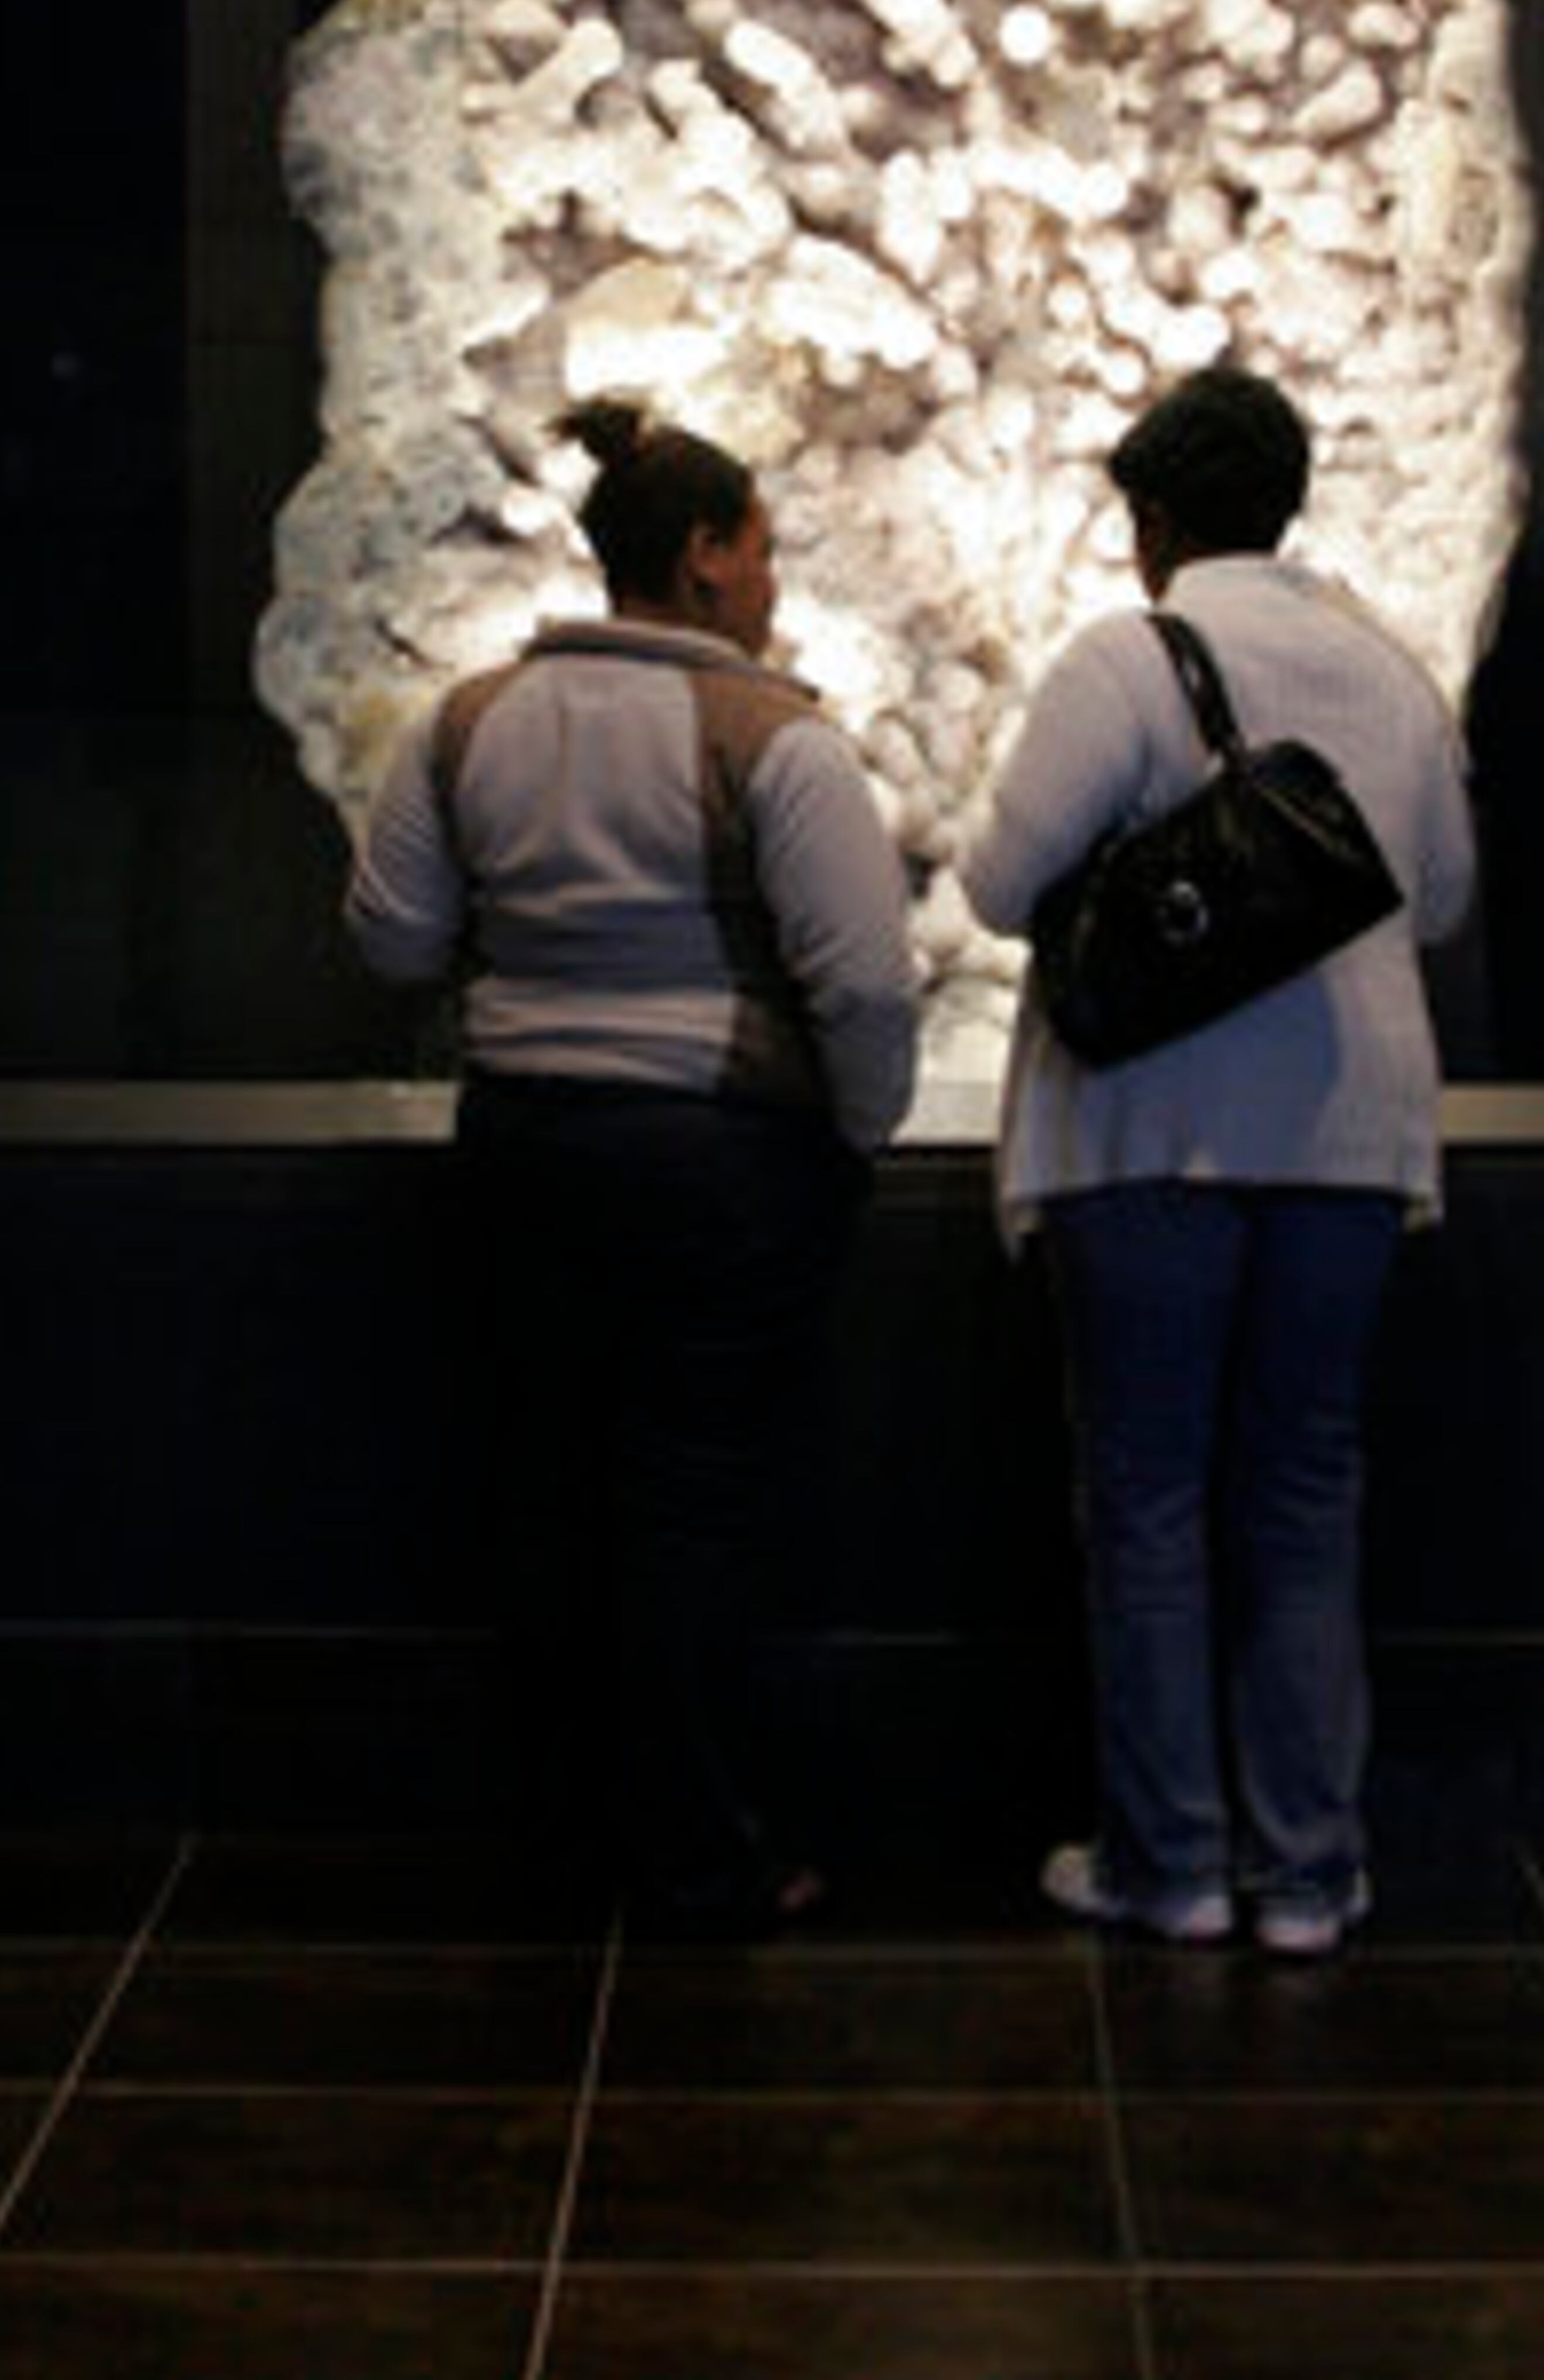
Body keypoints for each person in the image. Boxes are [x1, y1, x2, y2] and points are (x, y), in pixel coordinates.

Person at [345, 397, 919, 1935]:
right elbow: (862, 978)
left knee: (545, 1485)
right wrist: (859, 1132)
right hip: (716, 1158)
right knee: (685, 1509)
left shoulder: (467, 722)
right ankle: (692, 1855)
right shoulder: (770, 737)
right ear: (705, 558)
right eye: (762, 551)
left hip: (521, 1141)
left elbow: (391, 932)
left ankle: (548, 1837)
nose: (775, 583)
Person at [958, 361, 1475, 1956]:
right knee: (1309, 1490)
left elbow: (994, 882)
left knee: (1151, 1496)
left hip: (1155, 1133)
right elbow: (1442, 899)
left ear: (1155, 522)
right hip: (1349, 1131)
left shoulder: (1131, 659)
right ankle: (1310, 1875)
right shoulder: (1391, 672)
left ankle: (1170, 1863)